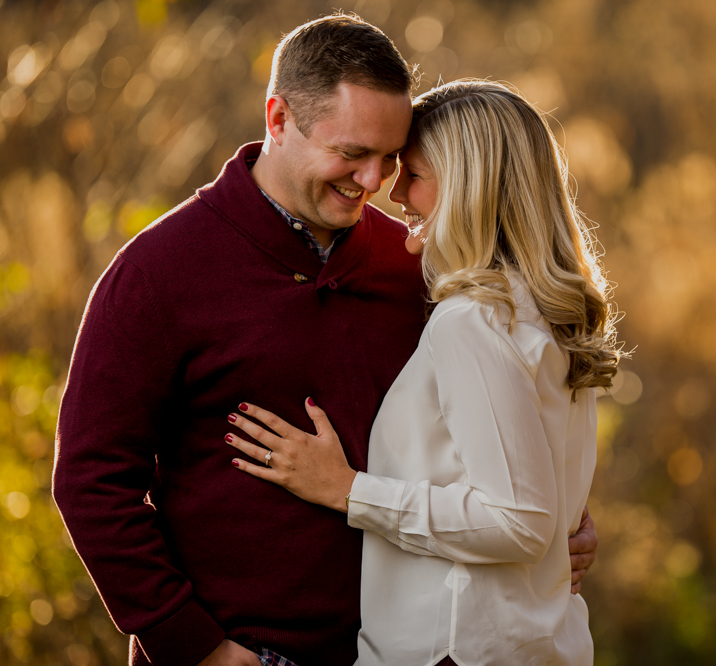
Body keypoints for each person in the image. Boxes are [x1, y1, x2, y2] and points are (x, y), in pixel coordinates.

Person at [52, 15, 597, 666]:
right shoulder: (157, 273)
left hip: (393, 652)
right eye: (351, 153)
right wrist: (195, 646)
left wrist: (559, 516)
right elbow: (91, 481)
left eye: (391, 158)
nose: (374, 184)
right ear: (279, 119)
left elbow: (498, 428)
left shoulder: (420, 269)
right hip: (240, 652)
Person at [224, 80, 620, 666]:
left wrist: (347, 490)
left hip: (455, 650)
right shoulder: (546, 312)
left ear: (469, 186)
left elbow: (519, 523)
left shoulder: (475, 321)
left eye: (413, 174)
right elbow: (540, 509)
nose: (396, 194)